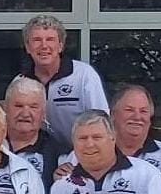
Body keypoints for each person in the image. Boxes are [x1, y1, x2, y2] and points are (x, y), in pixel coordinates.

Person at [17, 14, 106, 145]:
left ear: (60, 46)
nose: (44, 46)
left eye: (50, 39)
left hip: (81, 157)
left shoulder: (84, 76)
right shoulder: (19, 83)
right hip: (38, 158)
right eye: (37, 40)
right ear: (28, 47)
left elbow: (101, 122)